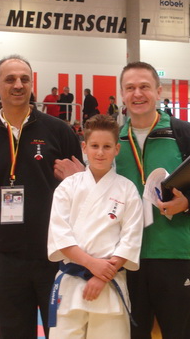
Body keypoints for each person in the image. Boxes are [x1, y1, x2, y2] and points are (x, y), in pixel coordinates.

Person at [55, 61, 190, 339]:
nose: (137, 94)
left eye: (144, 87)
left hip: (173, 252)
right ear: (122, 94)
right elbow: (99, 186)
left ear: (158, 91)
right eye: (130, 88)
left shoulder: (184, 133)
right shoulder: (113, 139)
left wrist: (187, 202)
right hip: (125, 261)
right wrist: (80, 177)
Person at [0, 55, 83, 338]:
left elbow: (81, 189)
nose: (18, 85)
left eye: (24, 79)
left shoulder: (59, 131)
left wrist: (77, 180)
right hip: (6, 259)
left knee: (63, 334)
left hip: (56, 256)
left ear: (32, 84)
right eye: (10, 79)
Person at [47, 115, 143, 339]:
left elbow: (131, 239)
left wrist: (102, 276)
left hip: (109, 283)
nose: (100, 152)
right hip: (71, 283)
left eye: (107, 146)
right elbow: (60, 236)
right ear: (84, 148)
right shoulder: (67, 187)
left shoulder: (127, 189)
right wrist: (92, 264)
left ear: (117, 149)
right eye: (95, 146)